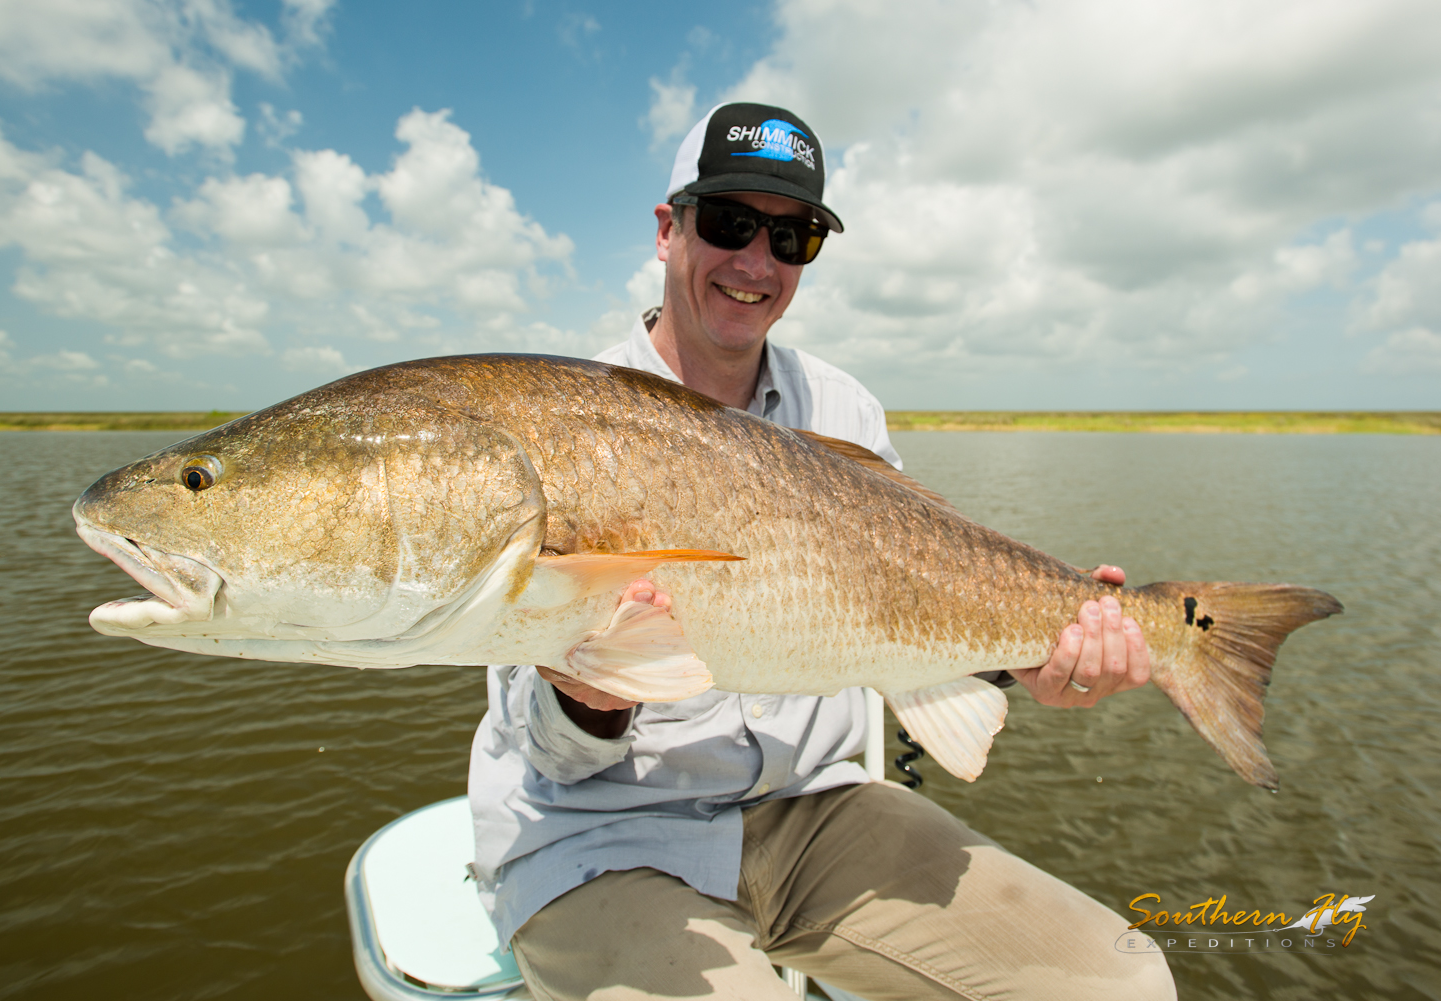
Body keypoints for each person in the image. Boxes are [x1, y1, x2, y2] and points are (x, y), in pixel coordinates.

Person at [469, 103, 1176, 1000]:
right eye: (729, 223)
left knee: (1120, 981)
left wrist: (1030, 661)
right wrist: (592, 701)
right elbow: (556, 759)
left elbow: (918, 604)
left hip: (815, 812)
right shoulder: (563, 419)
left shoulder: (846, 412)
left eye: (793, 236)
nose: (757, 262)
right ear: (666, 228)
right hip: (604, 836)